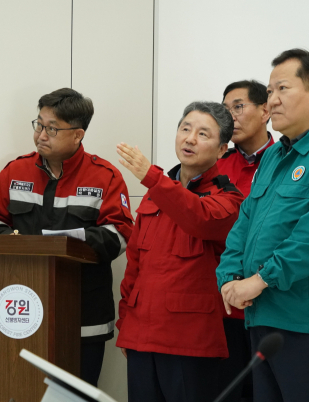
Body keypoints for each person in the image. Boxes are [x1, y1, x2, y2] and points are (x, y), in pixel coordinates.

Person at [216, 49, 309, 402]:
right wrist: (227, 277)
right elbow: (245, 222)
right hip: (261, 320)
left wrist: (257, 281)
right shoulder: (273, 155)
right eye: (269, 92)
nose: (272, 101)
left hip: (306, 326)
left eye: (282, 89)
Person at [0, 87, 133, 387]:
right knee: (20, 391)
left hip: (83, 317)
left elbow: (121, 235)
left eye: (52, 128)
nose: (41, 135)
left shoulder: (105, 177)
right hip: (22, 313)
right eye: (38, 124)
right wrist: (10, 241)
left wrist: (65, 244)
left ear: (78, 135)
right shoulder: (15, 171)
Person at [116, 102, 244, 402]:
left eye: (203, 134)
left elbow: (197, 217)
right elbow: (134, 264)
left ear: (222, 149)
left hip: (189, 341)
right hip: (141, 335)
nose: (189, 138)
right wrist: (126, 324)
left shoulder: (228, 199)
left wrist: (152, 176)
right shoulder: (157, 192)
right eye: (185, 129)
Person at [217, 79, 275, 401]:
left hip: (269, 301)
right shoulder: (217, 165)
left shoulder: (284, 162)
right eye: (224, 110)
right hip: (224, 305)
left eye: (238, 107)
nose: (230, 118)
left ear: (266, 110)